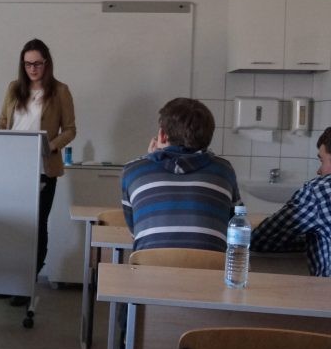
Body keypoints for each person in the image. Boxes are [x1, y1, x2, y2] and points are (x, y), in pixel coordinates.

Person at [0, 38, 76, 306]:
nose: (33, 69)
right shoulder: (13, 88)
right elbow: (3, 121)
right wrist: (0, 138)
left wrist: (50, 146)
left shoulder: (60, 91)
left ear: (47, 64)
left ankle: (26, 280)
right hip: (13, 167)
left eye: (38, 64)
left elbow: (70, 130)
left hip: (43, 167)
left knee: (36, 224)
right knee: (13, 224)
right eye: (28, 64)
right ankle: (10, 278)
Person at [121, 97, 240, 251]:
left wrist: (152, 159)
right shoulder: (224, 169)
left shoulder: (133, 170)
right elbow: (235, 223)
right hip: (210, 264)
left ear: (162, 135)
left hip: (150, 263)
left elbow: (135, 231)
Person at [251, 127, 331, 277]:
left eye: (322, 161)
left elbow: (261, 240)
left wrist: (307, 238)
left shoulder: (318, 191)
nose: (319, 171)